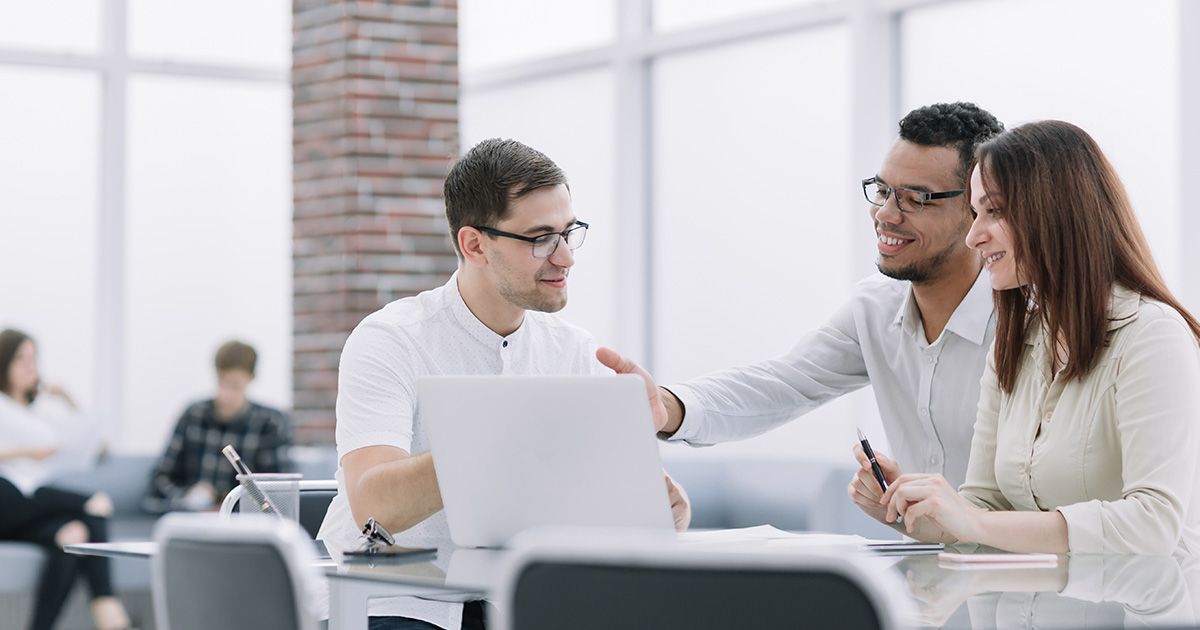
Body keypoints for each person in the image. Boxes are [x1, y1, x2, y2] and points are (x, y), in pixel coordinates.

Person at [316, 138, 691, 630]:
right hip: (399, 602)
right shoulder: (390, 340)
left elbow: (608, 508)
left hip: (524, 600)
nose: (565, 259)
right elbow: (375, 507)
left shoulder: (574, 350)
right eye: (540, 238)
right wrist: (507, 436)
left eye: (568, 233)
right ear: (474, 245)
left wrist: (662, 508)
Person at [599, 103, 1005, 491]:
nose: (885, 214)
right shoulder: (876, 309)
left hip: (1030, 559)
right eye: (882, 191)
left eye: (915, 199)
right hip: (925, 557)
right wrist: (669, 408)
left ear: (977, 207)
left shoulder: (1030, 321)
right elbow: (782, 384)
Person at [852, 120, 1200, 554]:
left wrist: (972, 520)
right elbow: (985, 505)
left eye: (993, 212)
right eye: (975, 213)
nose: (974, 235)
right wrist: (904, 507)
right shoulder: (1017, 342)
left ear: (1056, 211)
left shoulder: (1152, 337)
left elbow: (1153, 523)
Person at [0, 328, 131, 630]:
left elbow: (99, 447)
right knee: (91, 504)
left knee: (73, 534)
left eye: (34, 359)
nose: (30, 367)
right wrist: (28, 452)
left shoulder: (40, 412)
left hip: (33, 508)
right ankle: (107, 608)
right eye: (21, 359)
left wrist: (68, 400)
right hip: (8, 498)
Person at [143, 340, 292, 513]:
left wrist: (232, 505)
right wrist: (188, 498)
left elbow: (279, 493)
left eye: (235, 385)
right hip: (193, 520)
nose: (225, 394)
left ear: (250, 379)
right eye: (222, 381)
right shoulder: (193, 415)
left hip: (246, 525)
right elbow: (160, 479)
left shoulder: (271, 422)